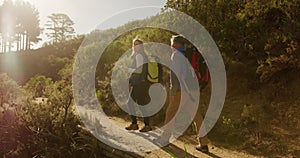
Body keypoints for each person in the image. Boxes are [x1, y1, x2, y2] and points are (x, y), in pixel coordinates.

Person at [156, 35, 209, 153]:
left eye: (171, 44)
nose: (171, 47)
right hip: (194, 90)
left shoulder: (176, 55)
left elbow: (174, 76)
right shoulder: (189, 54)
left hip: (182, 90)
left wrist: (172, 92)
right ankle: (204, 144)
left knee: (170, 113)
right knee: (197, 116)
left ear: (175, 44)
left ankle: (164, 139)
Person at [124, 37, 152, 132]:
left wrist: (128, 70)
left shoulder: (139, 56)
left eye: (137, 44)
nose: (135, 46)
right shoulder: (142, 55)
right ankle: (147, 125)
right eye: (134, 44)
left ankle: (134, 124)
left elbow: (139, 70)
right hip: (143, 83)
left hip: (139, 83)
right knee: (141, 104)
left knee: (130, 102)